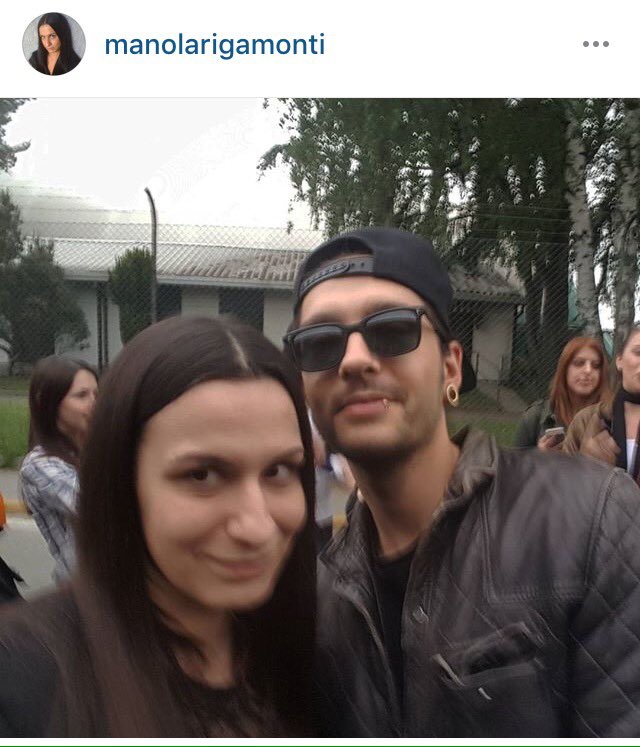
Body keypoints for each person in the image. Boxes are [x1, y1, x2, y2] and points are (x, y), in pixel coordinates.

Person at [283, 227, 640, 737]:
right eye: (320, 342)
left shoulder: (591, 520)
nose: (354, 359)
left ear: (451, 367)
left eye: (392, 329)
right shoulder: (315, 592)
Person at [0, 316, 316, 736]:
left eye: (278, 470)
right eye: (201, 475)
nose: (257, 527)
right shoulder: (21, 677)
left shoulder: (318, 649)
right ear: (122, 484)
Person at [20, 356, 98, 582]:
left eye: (97, 394)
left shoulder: (96, 450)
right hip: (88, 589)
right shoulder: (39, 464)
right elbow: (99, 508)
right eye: (82, 395)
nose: (95, 403)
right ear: (47, 402)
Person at [564, 325, 640, 480]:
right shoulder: (586, 420)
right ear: (619, 361)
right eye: (638, 352)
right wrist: (588, 467)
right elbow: (562, 484)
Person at [515, 336, 611, 449]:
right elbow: (515, 459)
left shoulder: (613, 417)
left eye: (596, 365)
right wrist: (540, 456)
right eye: (579, 363)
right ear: (564, 369)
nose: (588, 370)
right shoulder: (536, 416)